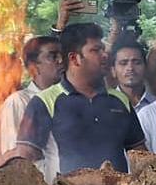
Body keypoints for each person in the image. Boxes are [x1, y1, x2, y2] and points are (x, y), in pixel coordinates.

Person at [15, 22, 146, 174]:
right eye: (96, 50)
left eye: (103, 49)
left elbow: (141, 155)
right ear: (74, 58)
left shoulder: (120, 100)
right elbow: (24, 158)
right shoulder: (44, 102)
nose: (105, 54)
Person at [0, 35, 62, 184]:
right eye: (52, 56)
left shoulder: (70, 99)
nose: (61, 61)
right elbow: (12, 157)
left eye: (62, 55)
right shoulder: (18, 101)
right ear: (34, 67)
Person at [109, 32, 156, 111]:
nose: (130, 68)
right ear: (113, 70)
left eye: (136, 62)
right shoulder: (104, 105)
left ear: (145, 67)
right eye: (123, 63)